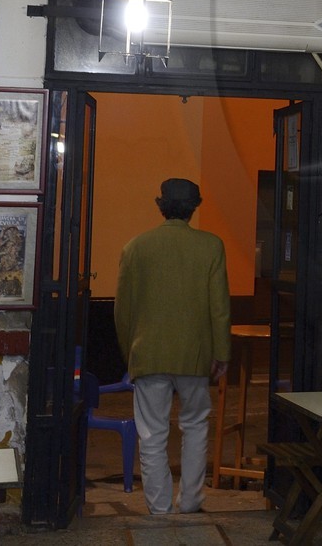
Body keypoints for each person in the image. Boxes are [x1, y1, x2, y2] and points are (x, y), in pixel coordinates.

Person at [115, 177, 231, 516]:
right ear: (195, 207)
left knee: (151, 434)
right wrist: (221, 353)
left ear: (160, 205)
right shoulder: (212, 246)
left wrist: (130, 353)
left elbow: (123, 311)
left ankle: (160, 510)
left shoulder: (136, 247)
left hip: (148, 353)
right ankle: (192, 501)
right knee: (195, 426)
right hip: (196, 356)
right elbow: (220, 308)